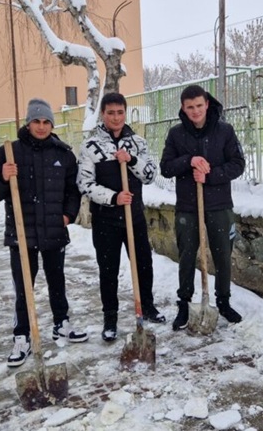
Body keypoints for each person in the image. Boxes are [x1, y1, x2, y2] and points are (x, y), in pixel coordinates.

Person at [0, 98, 87, 367]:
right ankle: (22, 336)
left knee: (57, 282)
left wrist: (67, 215)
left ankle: (61, 323)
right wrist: (3, 177)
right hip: (22, 233)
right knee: (24, 288)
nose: (41, 126)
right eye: (36, 121)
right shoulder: (7, 153)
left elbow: (73, 191)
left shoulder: (63, 154)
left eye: (46, 122)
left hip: (54, 231)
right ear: (28, 124)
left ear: (52, 124)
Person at [77, 92, 166, 342]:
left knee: (143, 264)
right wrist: (114, 197)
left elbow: (149, 175)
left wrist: (132, 160)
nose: (116, 117)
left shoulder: (138, 142)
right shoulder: (91, 146)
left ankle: (146, 306)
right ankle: (110, 317)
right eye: (110, 113)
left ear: (125, 113)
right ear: (103, 115)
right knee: (108, 269)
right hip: (106, 220)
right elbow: (84, 184)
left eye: (120, 112)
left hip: (134, 217)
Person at [160, 85, 246, 331]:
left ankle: (223, 302)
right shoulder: (176, 134)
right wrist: (188, 160)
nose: (195, 111)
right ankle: (184, 304)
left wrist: (211, 175)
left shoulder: (225, 131)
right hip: (188, 206)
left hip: (220, 205)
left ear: (207, 104)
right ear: (183, 109)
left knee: (222, 256)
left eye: (199, 105)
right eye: (190, 107)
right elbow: (165, 167)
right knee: (187, 254)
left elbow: (238, 164)